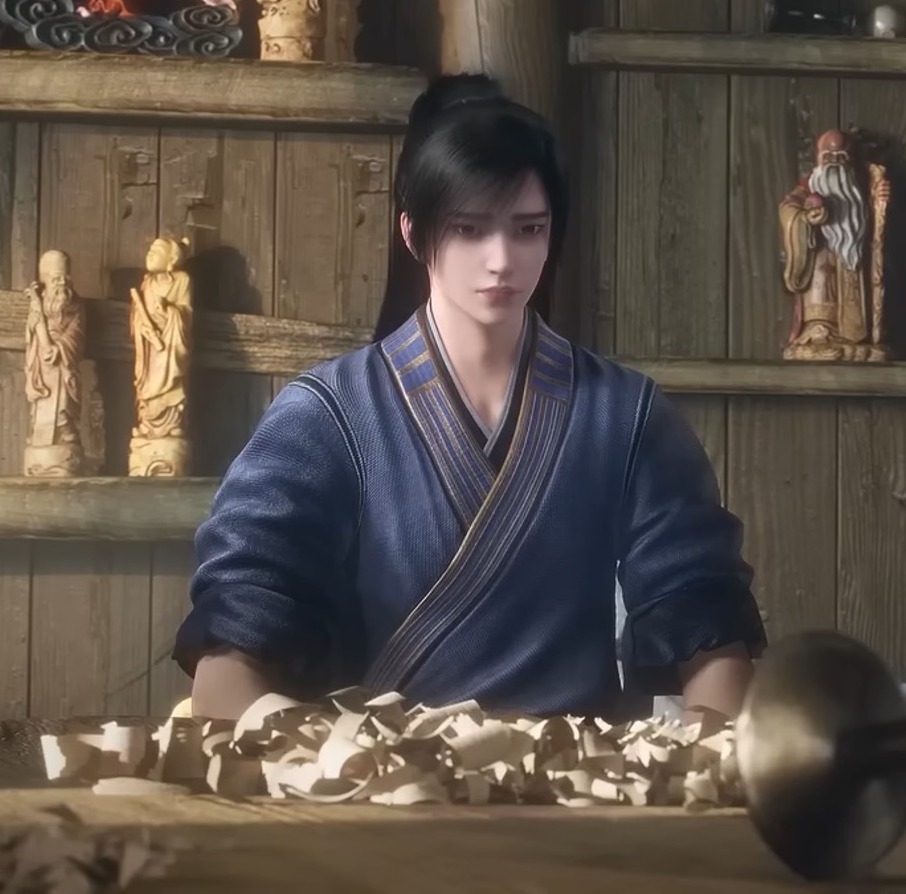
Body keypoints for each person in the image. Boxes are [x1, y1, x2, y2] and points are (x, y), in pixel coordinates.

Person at [176, 74, 766, 723]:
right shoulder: (327, 414)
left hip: (576, 771)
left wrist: (696, 752)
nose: (501, 260)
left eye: (528, 229)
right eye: (468, 229)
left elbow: (705, 618)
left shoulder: (623, 414)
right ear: (413, 233)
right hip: (379, 771)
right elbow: (235, 644)